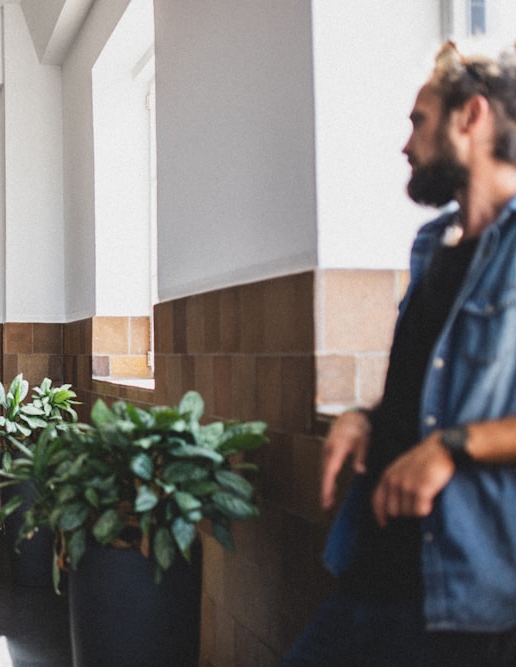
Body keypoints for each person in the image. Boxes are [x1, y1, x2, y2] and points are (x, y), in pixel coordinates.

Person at [285, 41, 516, 666]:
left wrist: (452, 448)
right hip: (374, 566)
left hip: (470, 594)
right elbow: (425, 384)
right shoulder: (431, 246)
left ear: (471, 117)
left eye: (419, 121)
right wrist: (367, 415)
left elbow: (456, 424)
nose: (406, 144)